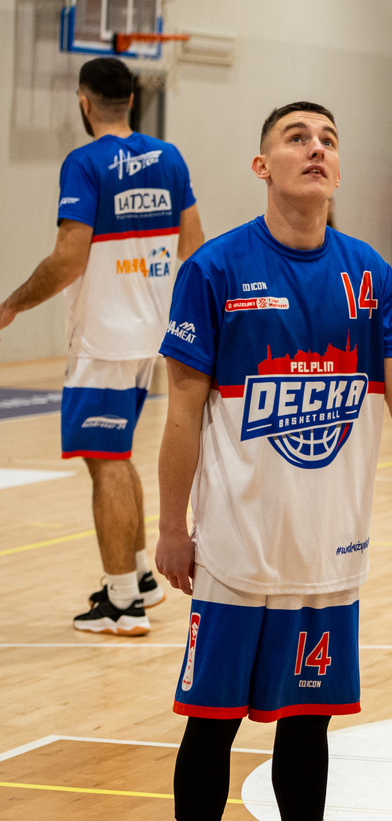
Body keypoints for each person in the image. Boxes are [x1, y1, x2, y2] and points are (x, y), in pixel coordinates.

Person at [137, 101, 392, 821]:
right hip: (234, 552)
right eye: (297, 138)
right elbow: (182, 411)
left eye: (328, 139)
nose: (316, 149)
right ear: (262, 166)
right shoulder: (215, 270)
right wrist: (171, 527)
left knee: (307, 725)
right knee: (210, 727)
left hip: (329, 554)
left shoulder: (367, 273)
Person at [0, 57, 203, 636]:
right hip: (150, 337)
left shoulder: (85, 164)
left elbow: (69, 259)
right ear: (132, 100)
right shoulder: (169, 158)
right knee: (116, 455)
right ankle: (137, 578)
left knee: (105, 460)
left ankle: (121, 604)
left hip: (103, 339)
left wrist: (12, 304)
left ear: (84, 102)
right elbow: (194, 246)